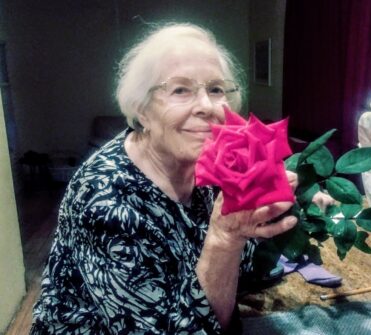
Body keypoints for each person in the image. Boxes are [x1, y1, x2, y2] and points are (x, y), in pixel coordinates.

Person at [31, 23, 304, 334]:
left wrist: (264, 209)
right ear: (142, 111)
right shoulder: (104, 199)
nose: (206, 106)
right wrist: (224, 240)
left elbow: (242, 263)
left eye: (216, 89)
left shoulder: (210, 162)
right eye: (180, 89)